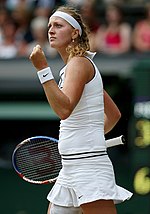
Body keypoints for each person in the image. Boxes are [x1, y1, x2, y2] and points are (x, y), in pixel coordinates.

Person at [29, 5, 133, 214]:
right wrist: (89, 136)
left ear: (75, 32)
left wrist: (42, 70)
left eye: (58, 25)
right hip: (70, 169)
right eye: (50, 26)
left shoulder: (79, 64)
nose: (51, 30)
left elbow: (64, 110)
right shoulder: (74, 68)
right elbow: (114, 114)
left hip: (89, 170)